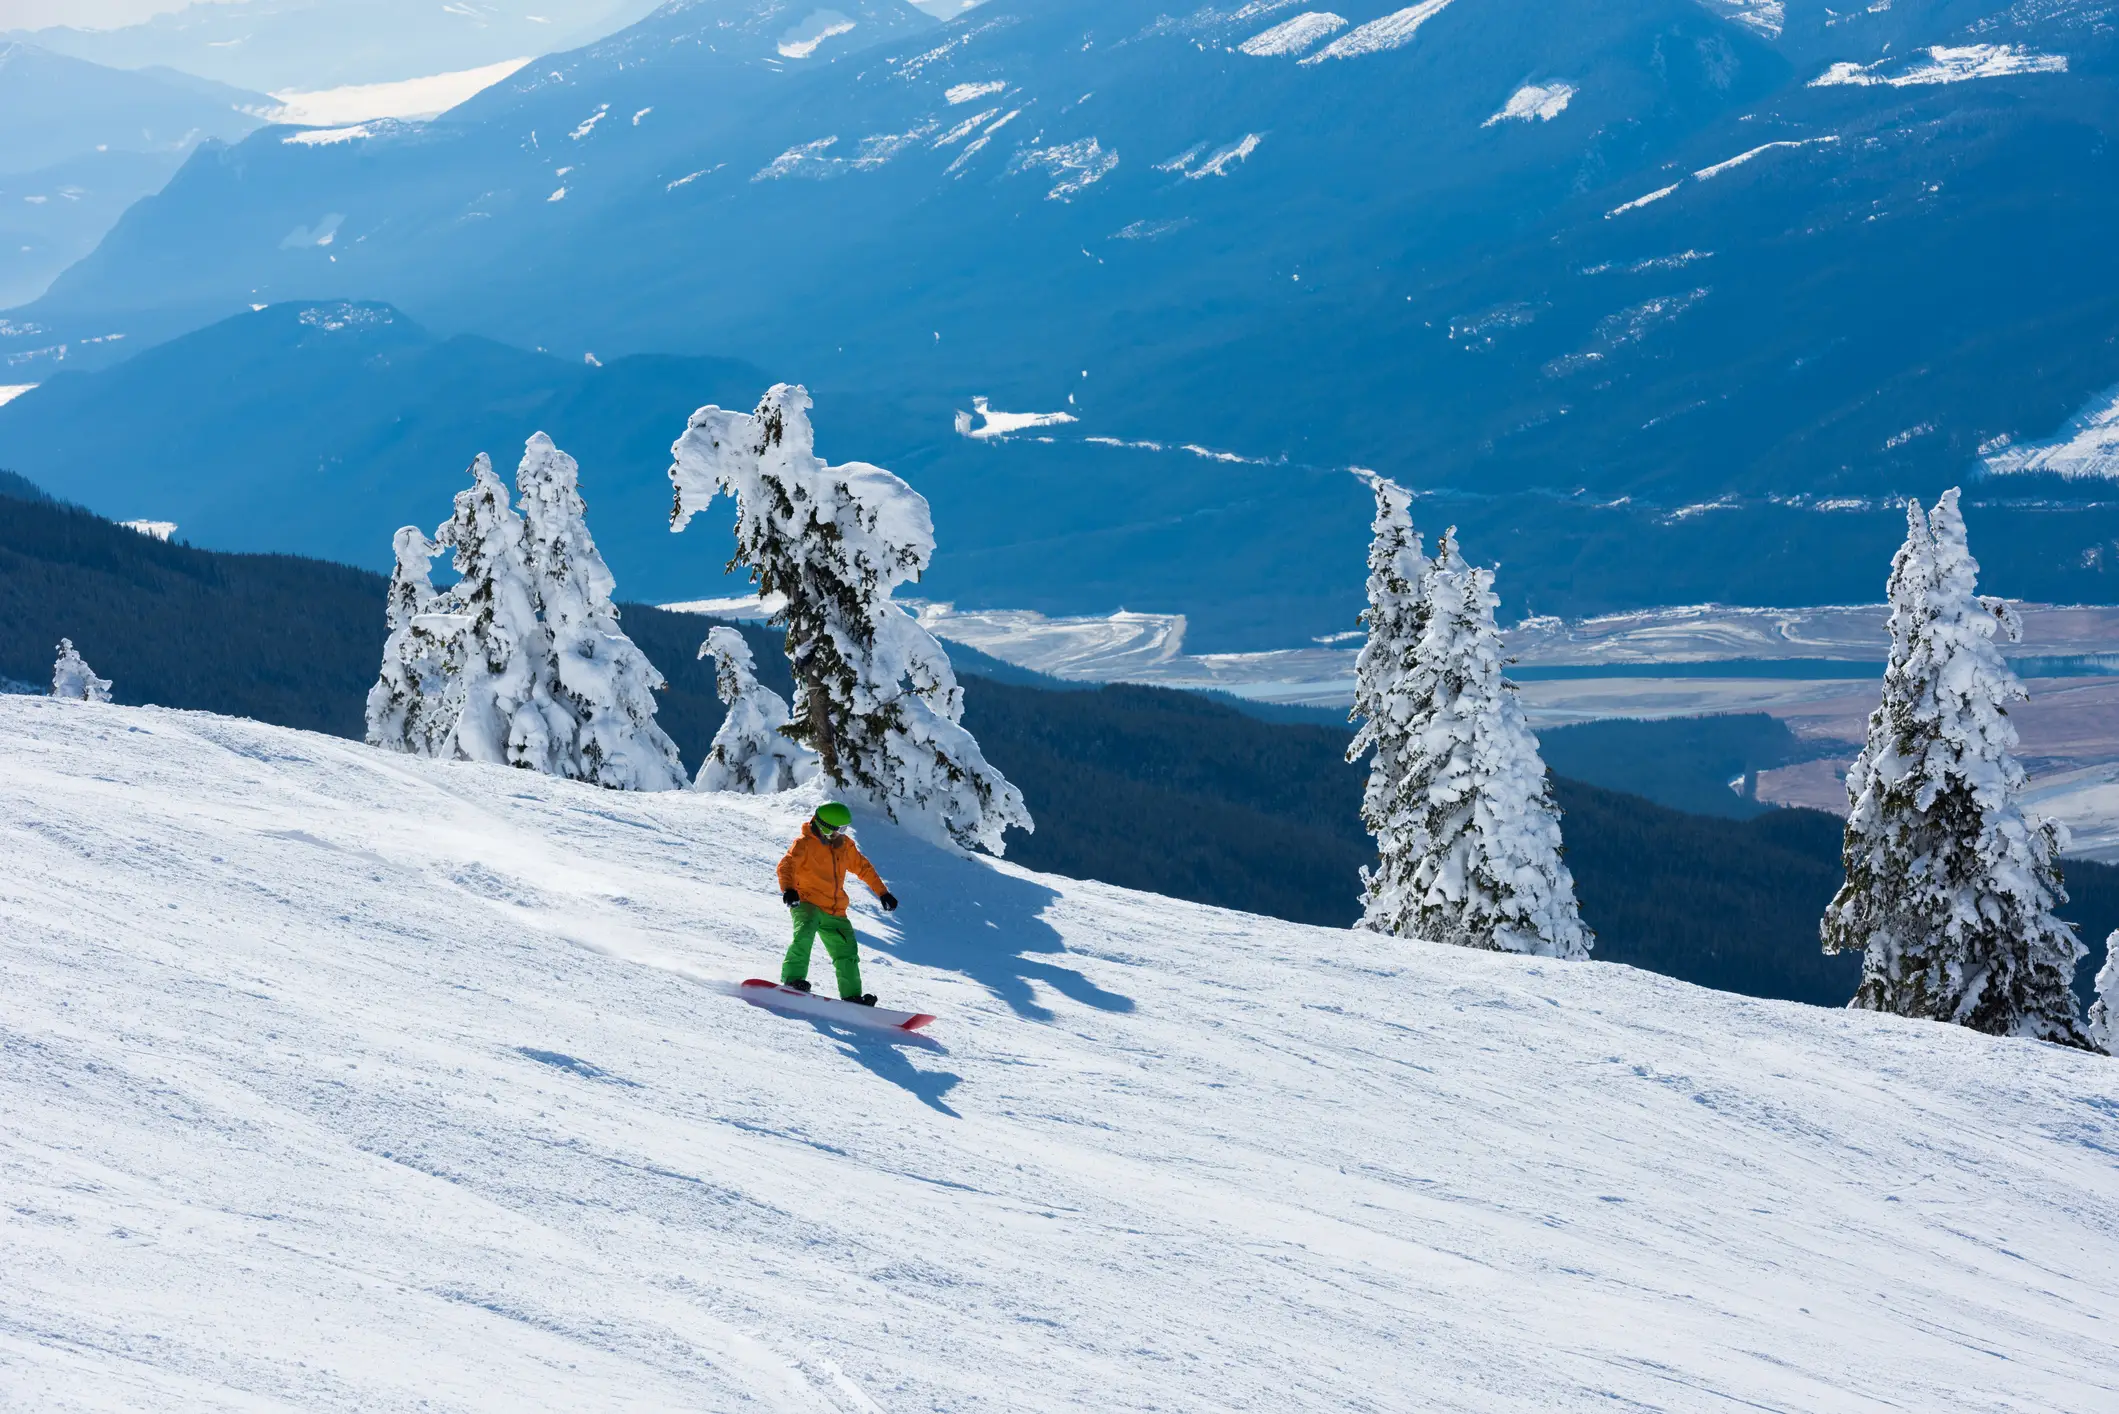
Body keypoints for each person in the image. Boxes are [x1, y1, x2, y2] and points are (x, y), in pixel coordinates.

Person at [777, 801, 897, 1005]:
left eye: (845, 829)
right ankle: (792, 980)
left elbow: (864, 868)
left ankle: (851, 996)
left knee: (847, 952)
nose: (842, 833)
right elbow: (786, 865)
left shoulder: (844, 846)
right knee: (804, 934)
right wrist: (789, 889)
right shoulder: (804, 844)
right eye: (839, 829)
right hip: (808, 902)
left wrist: (883, 893)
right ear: (825, 826)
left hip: (835, 910)